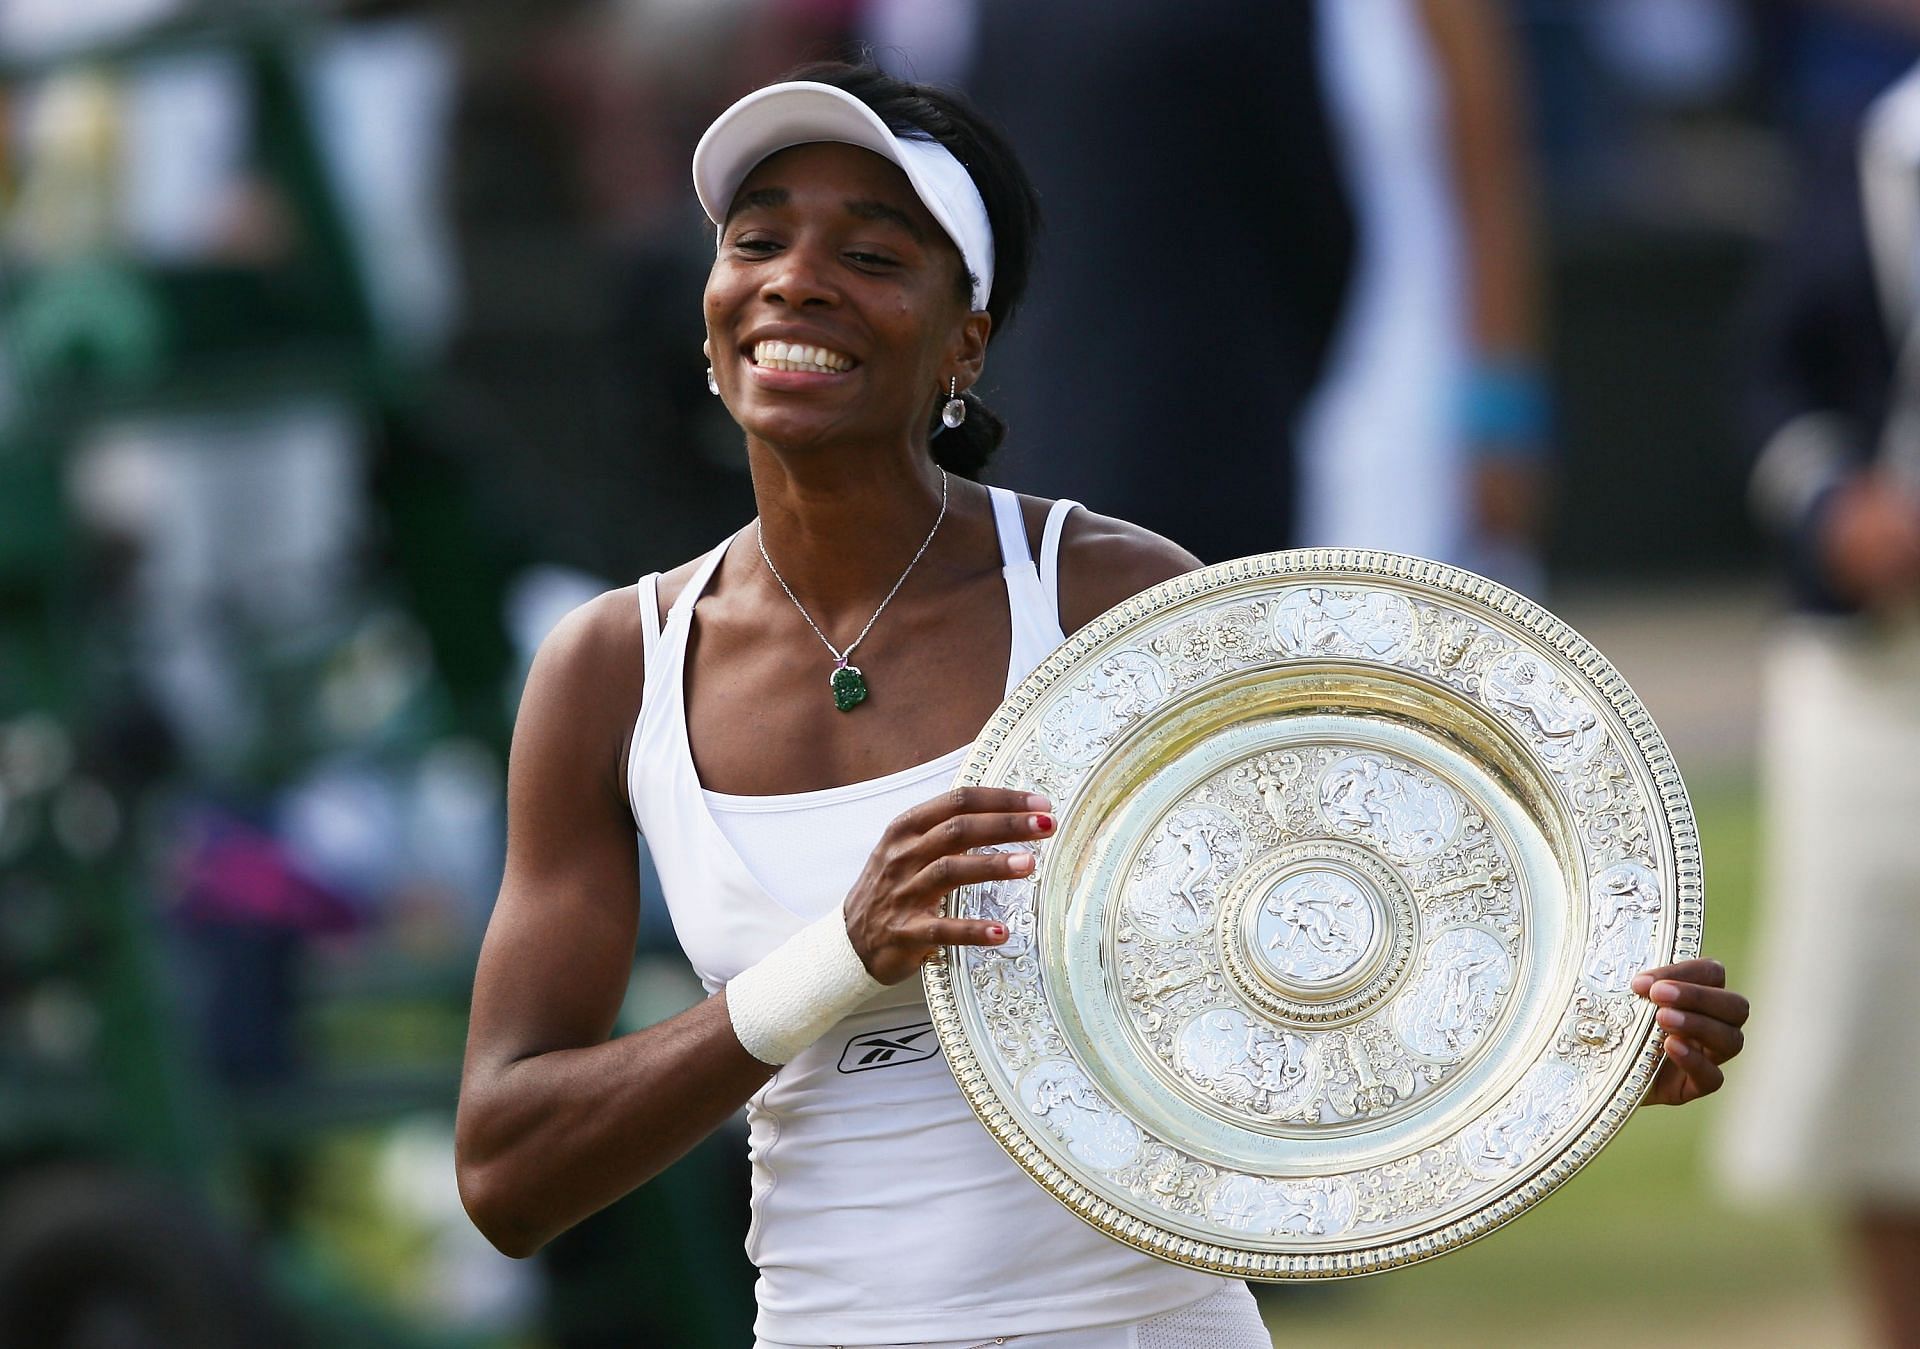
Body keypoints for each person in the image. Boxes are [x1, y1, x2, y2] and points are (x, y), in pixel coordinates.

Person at [453, 62, 1749, 1349]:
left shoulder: (1113, 598)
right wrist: (834, 960)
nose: (797, 277)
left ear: (968, 335)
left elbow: (1328, 945)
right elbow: (508, 1173)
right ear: (711, 304)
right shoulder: (610, 669)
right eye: (758, 238)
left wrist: (1577, 1048)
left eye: (872, 252)